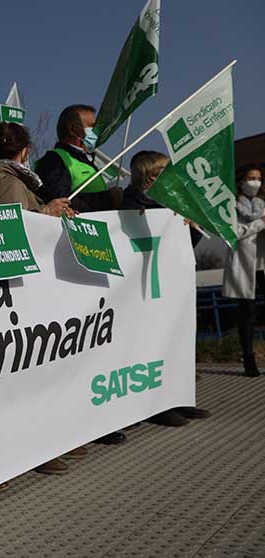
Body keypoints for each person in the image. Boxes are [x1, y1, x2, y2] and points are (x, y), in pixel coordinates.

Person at [121, 151, 215, 422]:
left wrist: (189, 226)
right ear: (149, 176)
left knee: (177, 340)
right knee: (152, 343)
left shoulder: (171, 202)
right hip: (147, 288)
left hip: (172, 285)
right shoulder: (133, 203)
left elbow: (184, 246)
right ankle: (157, 407)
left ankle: (180, 398)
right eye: (164, 173)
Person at [35, 104, 122, 213]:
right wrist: (108, 199)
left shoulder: (86, 161)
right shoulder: (54, 160)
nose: (97, 131)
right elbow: (60, 201)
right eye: (92, 127)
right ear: (73, 129)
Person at [0, 122, 74, 217]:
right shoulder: (9, 183)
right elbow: (14, 226)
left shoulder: (0, 179)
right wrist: (47, 212)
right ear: (25, 152)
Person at [223, 165, 265, 377]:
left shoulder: (262, 205)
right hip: (243, 265)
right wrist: (259, 224)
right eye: (251, 178)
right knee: (248, 314)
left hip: (262, 264)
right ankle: (249, 361)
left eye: (258, 178)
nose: (255, 182)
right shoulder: (231, 206)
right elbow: (235, 234)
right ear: (241, 182)